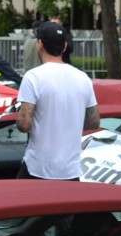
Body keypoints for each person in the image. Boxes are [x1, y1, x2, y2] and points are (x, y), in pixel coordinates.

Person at [16, 22, 99, 180]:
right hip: (71, 170)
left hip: (38, 168)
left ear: (39, 44)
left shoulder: (33, 77)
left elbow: (24, 124)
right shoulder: (83, 78)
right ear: (64, 46)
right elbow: (93, 122)